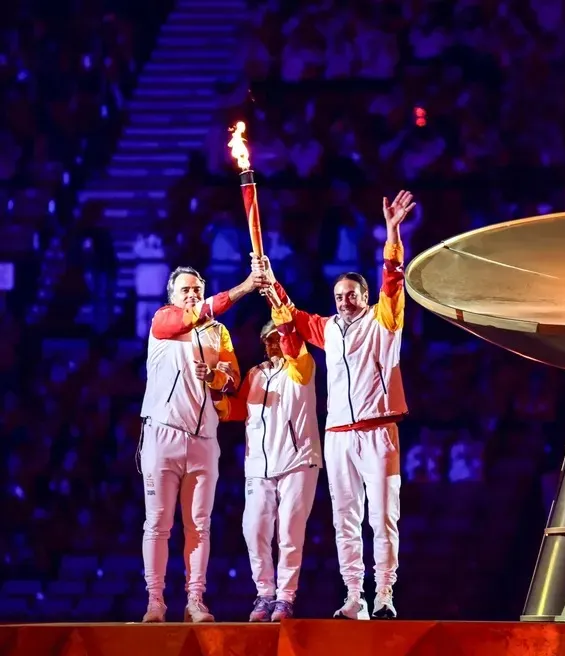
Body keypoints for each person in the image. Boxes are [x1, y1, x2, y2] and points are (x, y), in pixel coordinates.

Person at [252, 190, 416, 620]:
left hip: (380, 430)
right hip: (339, 436)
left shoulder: (384, 322)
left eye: (351, 295)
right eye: (339, 296)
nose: (344, 301)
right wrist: (269, 282)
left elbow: (393, 280)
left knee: (383, 518)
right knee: (345, 521)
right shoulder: (329, 331)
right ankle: (354, 597)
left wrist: (392, 232)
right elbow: (289, 314)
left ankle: (384, 595)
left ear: (365, 297)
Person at [138, 265, 264, 623]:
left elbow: (233, 380)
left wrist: (215, 376)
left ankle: (195, 600)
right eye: (185, 290)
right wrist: (241, 289)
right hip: (163, 434)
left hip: (204, 439)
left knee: (199, 523)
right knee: (158, 523)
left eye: (197, 289)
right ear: (172, 297)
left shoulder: (218, 333)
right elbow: (192, 315)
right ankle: (155, 602)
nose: (191, 294)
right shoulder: (163, 322)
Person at [219, 294, 322, 623]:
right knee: (255, 528)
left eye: (278, 337)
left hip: (297, 461)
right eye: (268, 339)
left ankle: (285, 598)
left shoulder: (302, 367)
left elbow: (294, 345)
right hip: (259, 467)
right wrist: (214, 387)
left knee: (290, 531)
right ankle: (264, 594)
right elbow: (235, 410)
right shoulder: (256, 374)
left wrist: (282, 316)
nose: (274, 344)